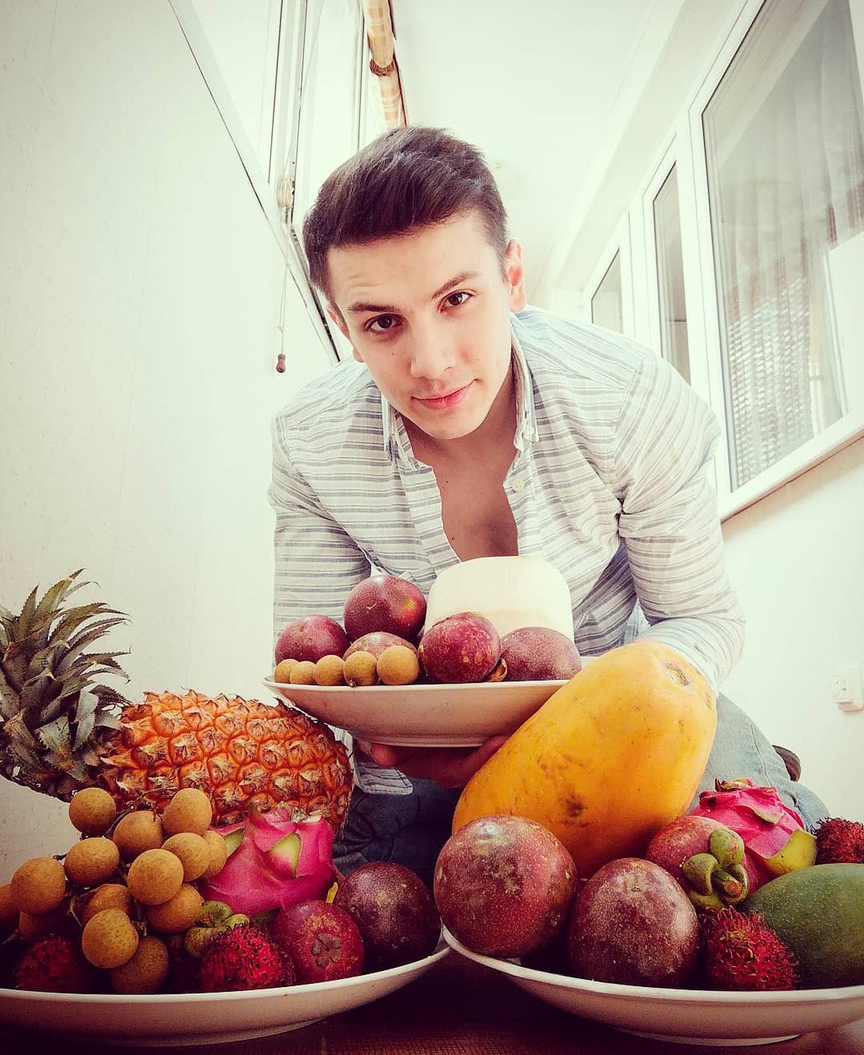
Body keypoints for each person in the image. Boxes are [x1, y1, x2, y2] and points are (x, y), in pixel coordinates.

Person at [268, 125, 827, 885]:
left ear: (512, 277)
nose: (431, 363)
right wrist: (395, 744)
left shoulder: (629, 399)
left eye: (457, 299)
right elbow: (313, 669)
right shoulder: (309, 441)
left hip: (622, 734)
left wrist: (584, 716)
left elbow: (703, 619)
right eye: (382, 322)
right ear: (343, 326)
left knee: (792, 891)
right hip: (418, 770)